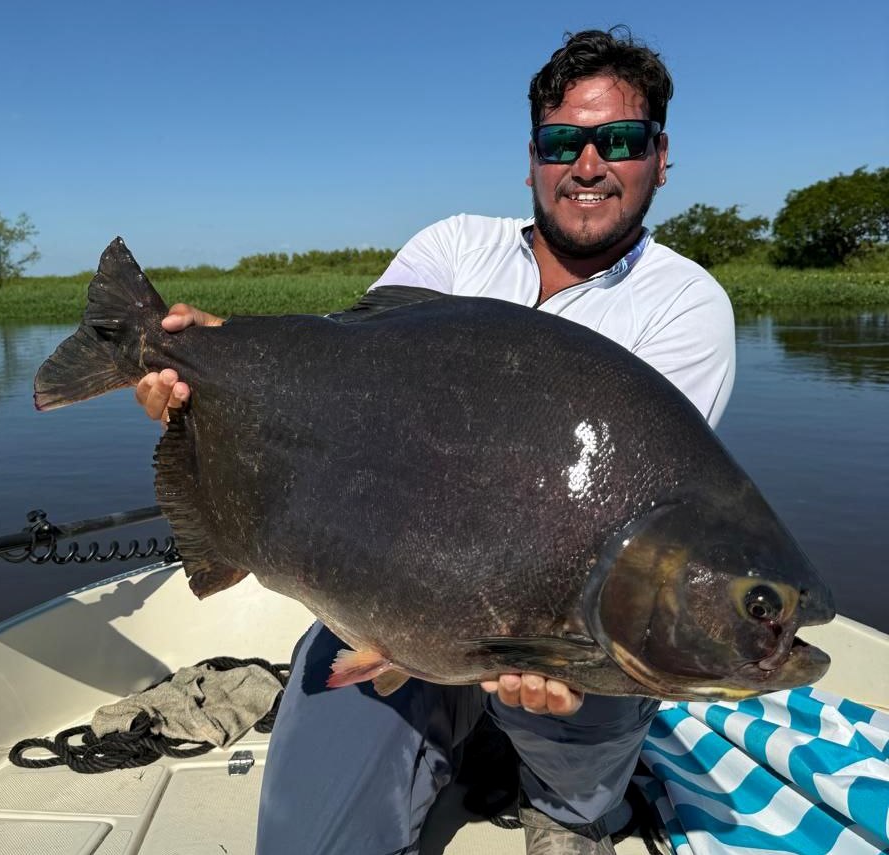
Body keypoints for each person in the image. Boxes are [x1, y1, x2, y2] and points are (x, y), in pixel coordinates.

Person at [135, 26, 735, 855]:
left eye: (620, 140)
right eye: (563, 142)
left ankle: (565, 802)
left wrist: (559, 650)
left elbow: (640, 521)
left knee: (607, 663)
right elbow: (339, 369)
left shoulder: (686, 305)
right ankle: (447, 727)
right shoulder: (454, 247)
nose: (589, 164)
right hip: (399, 593)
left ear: (660, 156)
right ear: (532, 159)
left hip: (563, 621)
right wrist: (215, 367)